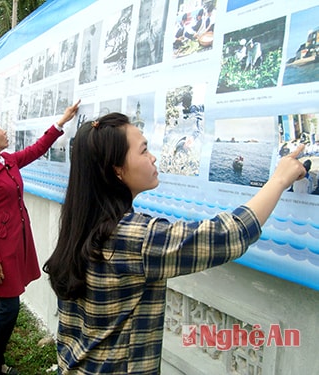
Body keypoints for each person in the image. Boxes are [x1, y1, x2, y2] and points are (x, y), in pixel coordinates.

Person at [43, 113, 306, 375]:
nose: (153, 157)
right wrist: (279, 180)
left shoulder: (81, 221)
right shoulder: (130, 237)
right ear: (117, 170)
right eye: (144, 150)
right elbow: (228, 235)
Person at [0, 100, 80, 375]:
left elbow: (37, 149)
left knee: (1, 307)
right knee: (9, 308)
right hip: (1, 250)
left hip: (17, 244)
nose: (5, 131)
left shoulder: (7, 161)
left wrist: (61, 122)